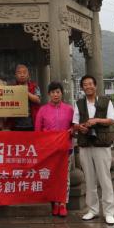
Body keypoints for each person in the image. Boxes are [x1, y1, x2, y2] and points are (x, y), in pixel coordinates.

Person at [72, 75, 114, 225]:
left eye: (90, 84)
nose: (88, 86)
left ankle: (109, 212)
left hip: (101, 144)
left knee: (105, 178)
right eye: (85, 84)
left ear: (95, 86)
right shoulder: (79, 103)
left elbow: (111, 120)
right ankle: (92, 210)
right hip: (85, 144)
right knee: (89, 179)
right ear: (82, 88)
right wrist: (81, 127)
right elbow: (74, 123)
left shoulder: (106, 101)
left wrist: (96, 120)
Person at [34, 81, 75, 217]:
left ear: (62, 93)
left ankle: (63, 203)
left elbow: (74, 127)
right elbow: (37, 131)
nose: (55, 95)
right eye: (52, 92)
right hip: (49, 151)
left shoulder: (69, 109)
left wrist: (71, 131)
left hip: (65, 148)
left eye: (58, 92)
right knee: (51, 176)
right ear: (48, 94)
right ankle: (54, 203)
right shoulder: (43, 110)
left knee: (64, 177)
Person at [7, 63, 41, 131]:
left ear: (28, 75)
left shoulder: (34, 86)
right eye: (19, 73)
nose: (22, 75)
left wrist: (24, 91)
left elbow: (38, 100)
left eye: (24, 73)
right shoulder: (11, 88)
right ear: (16, 75)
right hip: (15, 123)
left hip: (31, 123)